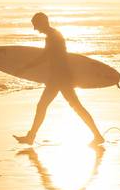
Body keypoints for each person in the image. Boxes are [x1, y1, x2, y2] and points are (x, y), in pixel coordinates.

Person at [16, 12, 104, 146]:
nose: (35, 29)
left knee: (51, 106)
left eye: (35, 25)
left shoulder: (52, 37)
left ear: (42, 23)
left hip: (60, 78)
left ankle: (31, 136)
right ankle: (97, 136)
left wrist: (26, 67)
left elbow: (45, 57)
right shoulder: (54, 35)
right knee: (70, 107)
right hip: (59, 77)